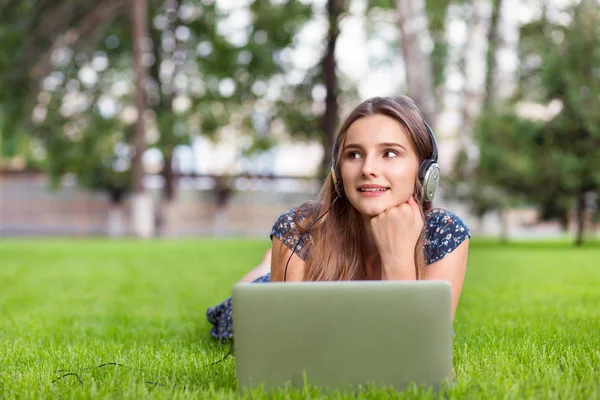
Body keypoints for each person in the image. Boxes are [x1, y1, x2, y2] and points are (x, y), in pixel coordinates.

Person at [206, 95, 470, 342]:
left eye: (389, 153)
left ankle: (267, 264)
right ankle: (266, 267)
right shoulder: (298, 229)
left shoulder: (445, 233)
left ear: (424, 171)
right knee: (241, 308)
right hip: (269, 291)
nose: (368, 169)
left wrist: (397, 259)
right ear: (337, 172)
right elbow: (290, 342)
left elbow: (419, 349)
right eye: (354, 154)